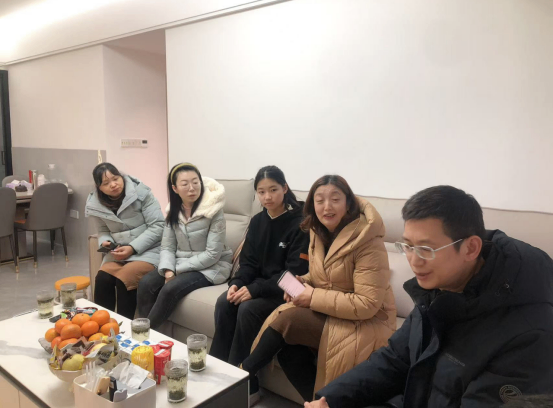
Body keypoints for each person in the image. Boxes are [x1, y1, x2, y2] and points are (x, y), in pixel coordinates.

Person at [306, 185, 553, 408]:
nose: (414, 261)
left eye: (426, 249)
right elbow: (395, 359)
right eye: (408, 246)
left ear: (471, 248)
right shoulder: (439, 289)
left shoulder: (530, 334)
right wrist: (330, 400)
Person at [242, 175, 396, 402]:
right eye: (320, 200)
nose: (327, 207)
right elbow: (321, 277)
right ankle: (317, 403)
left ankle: (242, 375)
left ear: (348, 203)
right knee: (289, 350)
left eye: (335, 199)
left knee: (289, 318)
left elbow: (367, 304)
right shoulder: (318, 232)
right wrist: (303, 281)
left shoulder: (368, 241)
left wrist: (312, 296)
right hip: (334, 311)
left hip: (368, 321)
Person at [209, 165, 310, 369]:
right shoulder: (257, 221)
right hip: (260, 287)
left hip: (285, 292)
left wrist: (255, 289)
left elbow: (295, 273)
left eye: (273, 190)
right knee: (225, 302)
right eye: (261, 192)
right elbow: (248, 263)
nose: (267, 197)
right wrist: (237, 283)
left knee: (248, 309)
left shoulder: (301, 223)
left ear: (285, 188)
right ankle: (216, 368)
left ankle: (242, 378)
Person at [137, 163, 232, 329]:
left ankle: (144, 334)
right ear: (175, 188)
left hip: (211, 267)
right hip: (180, 263)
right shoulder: (173, 211)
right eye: (185, 184)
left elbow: (212, 254)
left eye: (195, 182)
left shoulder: (214, 211)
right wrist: (168, 269)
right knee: (146, 283)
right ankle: (149, 332)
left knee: (169, 289)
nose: (192, 188)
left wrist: (177, 270)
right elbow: (167, 247)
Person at [85, 163, 164, 319]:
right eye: (106, 183)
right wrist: (106, 242)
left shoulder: (142, 193)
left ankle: (125, 328)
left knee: (125, 278)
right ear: (99, 188)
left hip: (150, 250)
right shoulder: (95, 204)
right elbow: (103, 230)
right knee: (102, 279)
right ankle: (101, 325)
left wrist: (132, 248)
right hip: (119, 252)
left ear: (121, 176)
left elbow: (158, 226)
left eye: (115, 178)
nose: (113, 185)